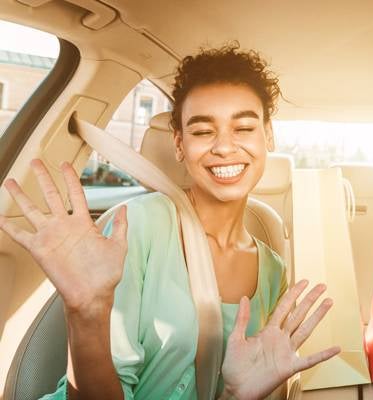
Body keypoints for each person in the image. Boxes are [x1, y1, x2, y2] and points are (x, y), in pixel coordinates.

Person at [0, 44, 340, 399]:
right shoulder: (134, 227)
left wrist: (237, 396)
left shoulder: (273, 270)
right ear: (179, 144)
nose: (224, 147)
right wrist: (87, 312)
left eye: (243, 127)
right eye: (203, 131)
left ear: (267, 136)